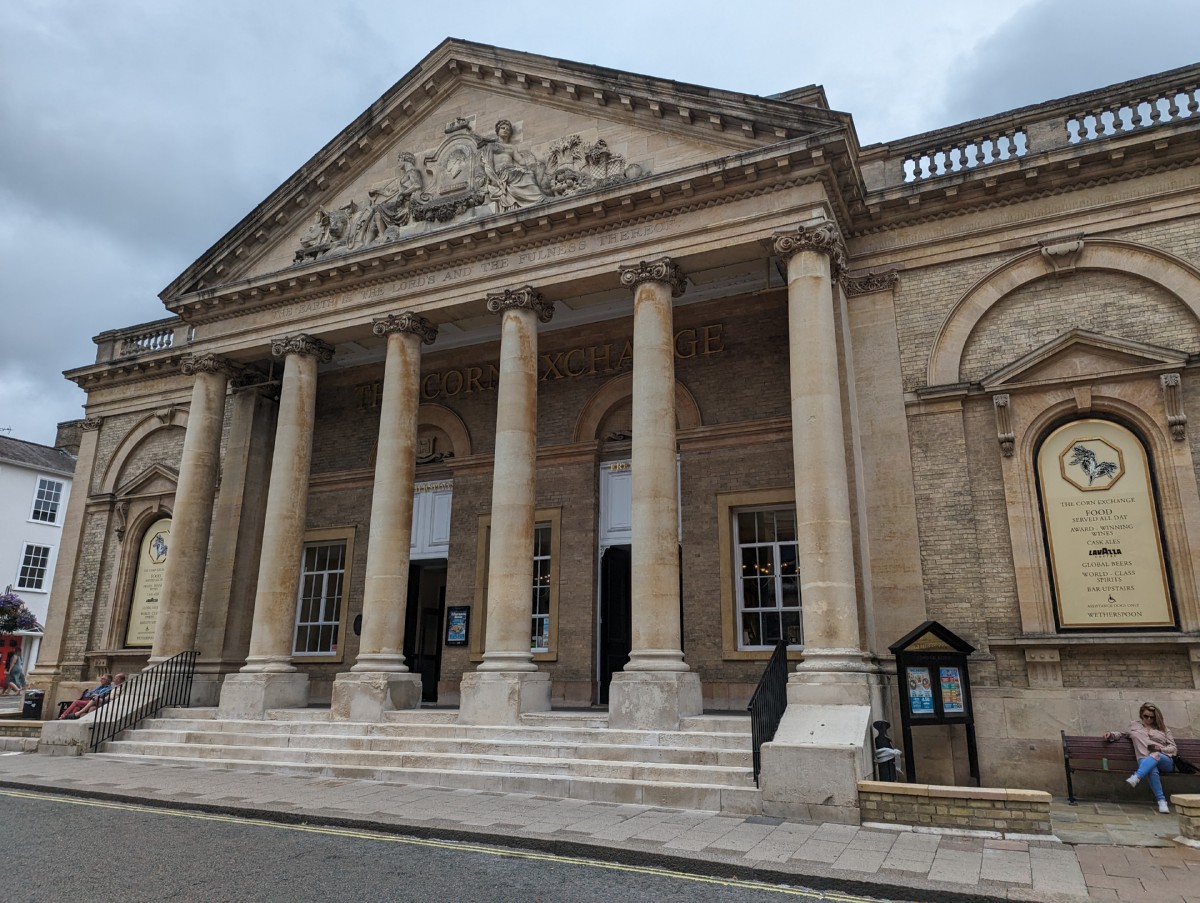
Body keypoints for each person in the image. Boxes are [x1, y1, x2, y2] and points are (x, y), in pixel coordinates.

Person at [1105, 701, 1177, 813]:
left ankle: (1137, 776)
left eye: (1152, 717)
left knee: (1155, 755)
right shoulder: (1134, 725)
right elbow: (1122, 733)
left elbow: (1173, 748)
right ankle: (1162, 801)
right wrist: (1111, 734)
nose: (1148, 719)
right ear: (1141, 715)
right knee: (1151, 768)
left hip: (1165, 760)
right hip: (1144, 758)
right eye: (1146, 716)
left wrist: (1160, 749)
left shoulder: (1163, 729)